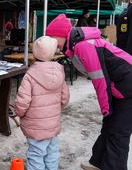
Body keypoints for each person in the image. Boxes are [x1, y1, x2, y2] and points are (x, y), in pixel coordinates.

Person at [46, 14, 132, 170]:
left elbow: (100, 79)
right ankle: (98, 163)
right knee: (109, 126)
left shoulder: (83, 46)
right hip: (120, 86)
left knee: (118, 132)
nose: (52, 43)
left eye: (52, 38)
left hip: (128, 86)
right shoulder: (74, 46)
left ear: (61, 35)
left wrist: (106, 107)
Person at [14, 36, 70, 170]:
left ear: (35, 53)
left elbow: (23, 102)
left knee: (36, 154)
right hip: (53, 124)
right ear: (52, 53)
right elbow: (65, 98)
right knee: (52, 152)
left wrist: (19, 113)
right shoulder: (60, 72)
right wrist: (55, 109)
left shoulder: (30, 75)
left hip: (35, 126)